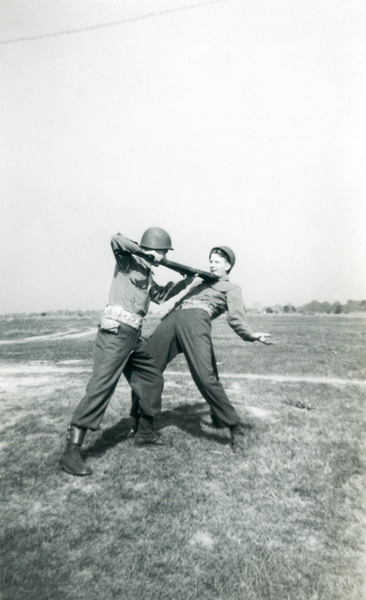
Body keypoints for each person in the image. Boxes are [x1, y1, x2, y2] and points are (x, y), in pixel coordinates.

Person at [59, 227, 193, 476]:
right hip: (115, 334)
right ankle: (71, 451)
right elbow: (116, 239)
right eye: (163, 252)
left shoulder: (148, 274)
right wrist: (146, 252)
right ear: (153, 248)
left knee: (152, 377)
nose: (164, 257)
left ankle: (145, 432)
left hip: (133, 337)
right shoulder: (127, 261)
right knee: (101, 387)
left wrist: (184, 283)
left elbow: (161, 296)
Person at [130, 246, 274, 452]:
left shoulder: (232, 289)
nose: (212, 265)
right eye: (211, 261)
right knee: (147, 369)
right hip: (172, 320)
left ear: (228, 266)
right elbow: (177, 301)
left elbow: (235, 318)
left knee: (205, 376)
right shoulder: (200, 283)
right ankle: (142, 427)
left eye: (217, 262)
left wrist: (250, 334)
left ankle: (234, 428)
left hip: (196, 320)